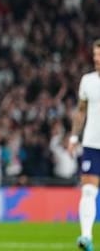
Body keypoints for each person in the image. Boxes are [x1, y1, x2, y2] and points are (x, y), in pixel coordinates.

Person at [68, 39, 100, 251]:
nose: (96, 58)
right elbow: (81, 110)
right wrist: (73, 137)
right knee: (88, 191)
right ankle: (86, 237)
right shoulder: (87, 80)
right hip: (91, 144)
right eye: (95, 54)